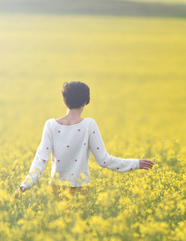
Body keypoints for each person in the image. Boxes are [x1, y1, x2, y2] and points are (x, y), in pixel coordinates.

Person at [15, 81, 153, 195]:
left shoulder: (50, 125)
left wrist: (24, 186)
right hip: (81, 191)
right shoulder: (89, 125)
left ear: (64, 101)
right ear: (85, 102)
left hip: (56, 190)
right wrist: (135, 163)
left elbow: (40, 160)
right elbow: (104, 160)